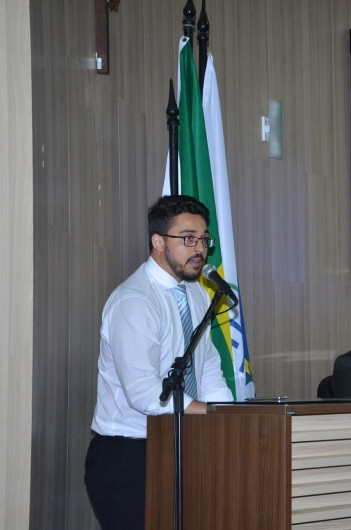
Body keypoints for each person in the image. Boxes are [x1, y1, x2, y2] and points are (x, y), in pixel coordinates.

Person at [84, 195, 233, 530]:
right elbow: (146, 395)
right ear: (158, 242)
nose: (200, 249)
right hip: (130, 457)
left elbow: (207, 369)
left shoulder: (196, 293)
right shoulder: (135, 301)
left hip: (184, 445)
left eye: (204, 239)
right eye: (188, 238)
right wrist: (209, 411)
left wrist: (230, 415)